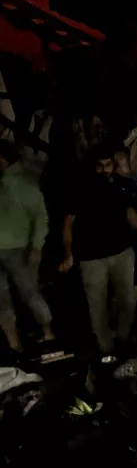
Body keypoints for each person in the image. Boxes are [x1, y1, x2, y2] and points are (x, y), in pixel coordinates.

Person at [59, 145, 137, 355]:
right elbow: (68, 224)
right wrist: (69, 253)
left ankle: (123, 342)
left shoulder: (122, 186)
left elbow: (131, 214)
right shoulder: (79, 189)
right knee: (97, 308)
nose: (103, 170)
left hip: (122, 253)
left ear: (113, 165)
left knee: (127, 301)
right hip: (92, 258)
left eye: (107, 165)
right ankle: (105, 350)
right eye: (99, 166)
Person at [0, 139, 54, 351]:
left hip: (18, 249)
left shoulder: (22, 182)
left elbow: (40, 216)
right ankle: (14, 342)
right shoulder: (7, 182)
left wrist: (36, 246)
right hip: (7, 248)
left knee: (30, 293)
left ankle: (49, 334)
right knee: (2, 299)